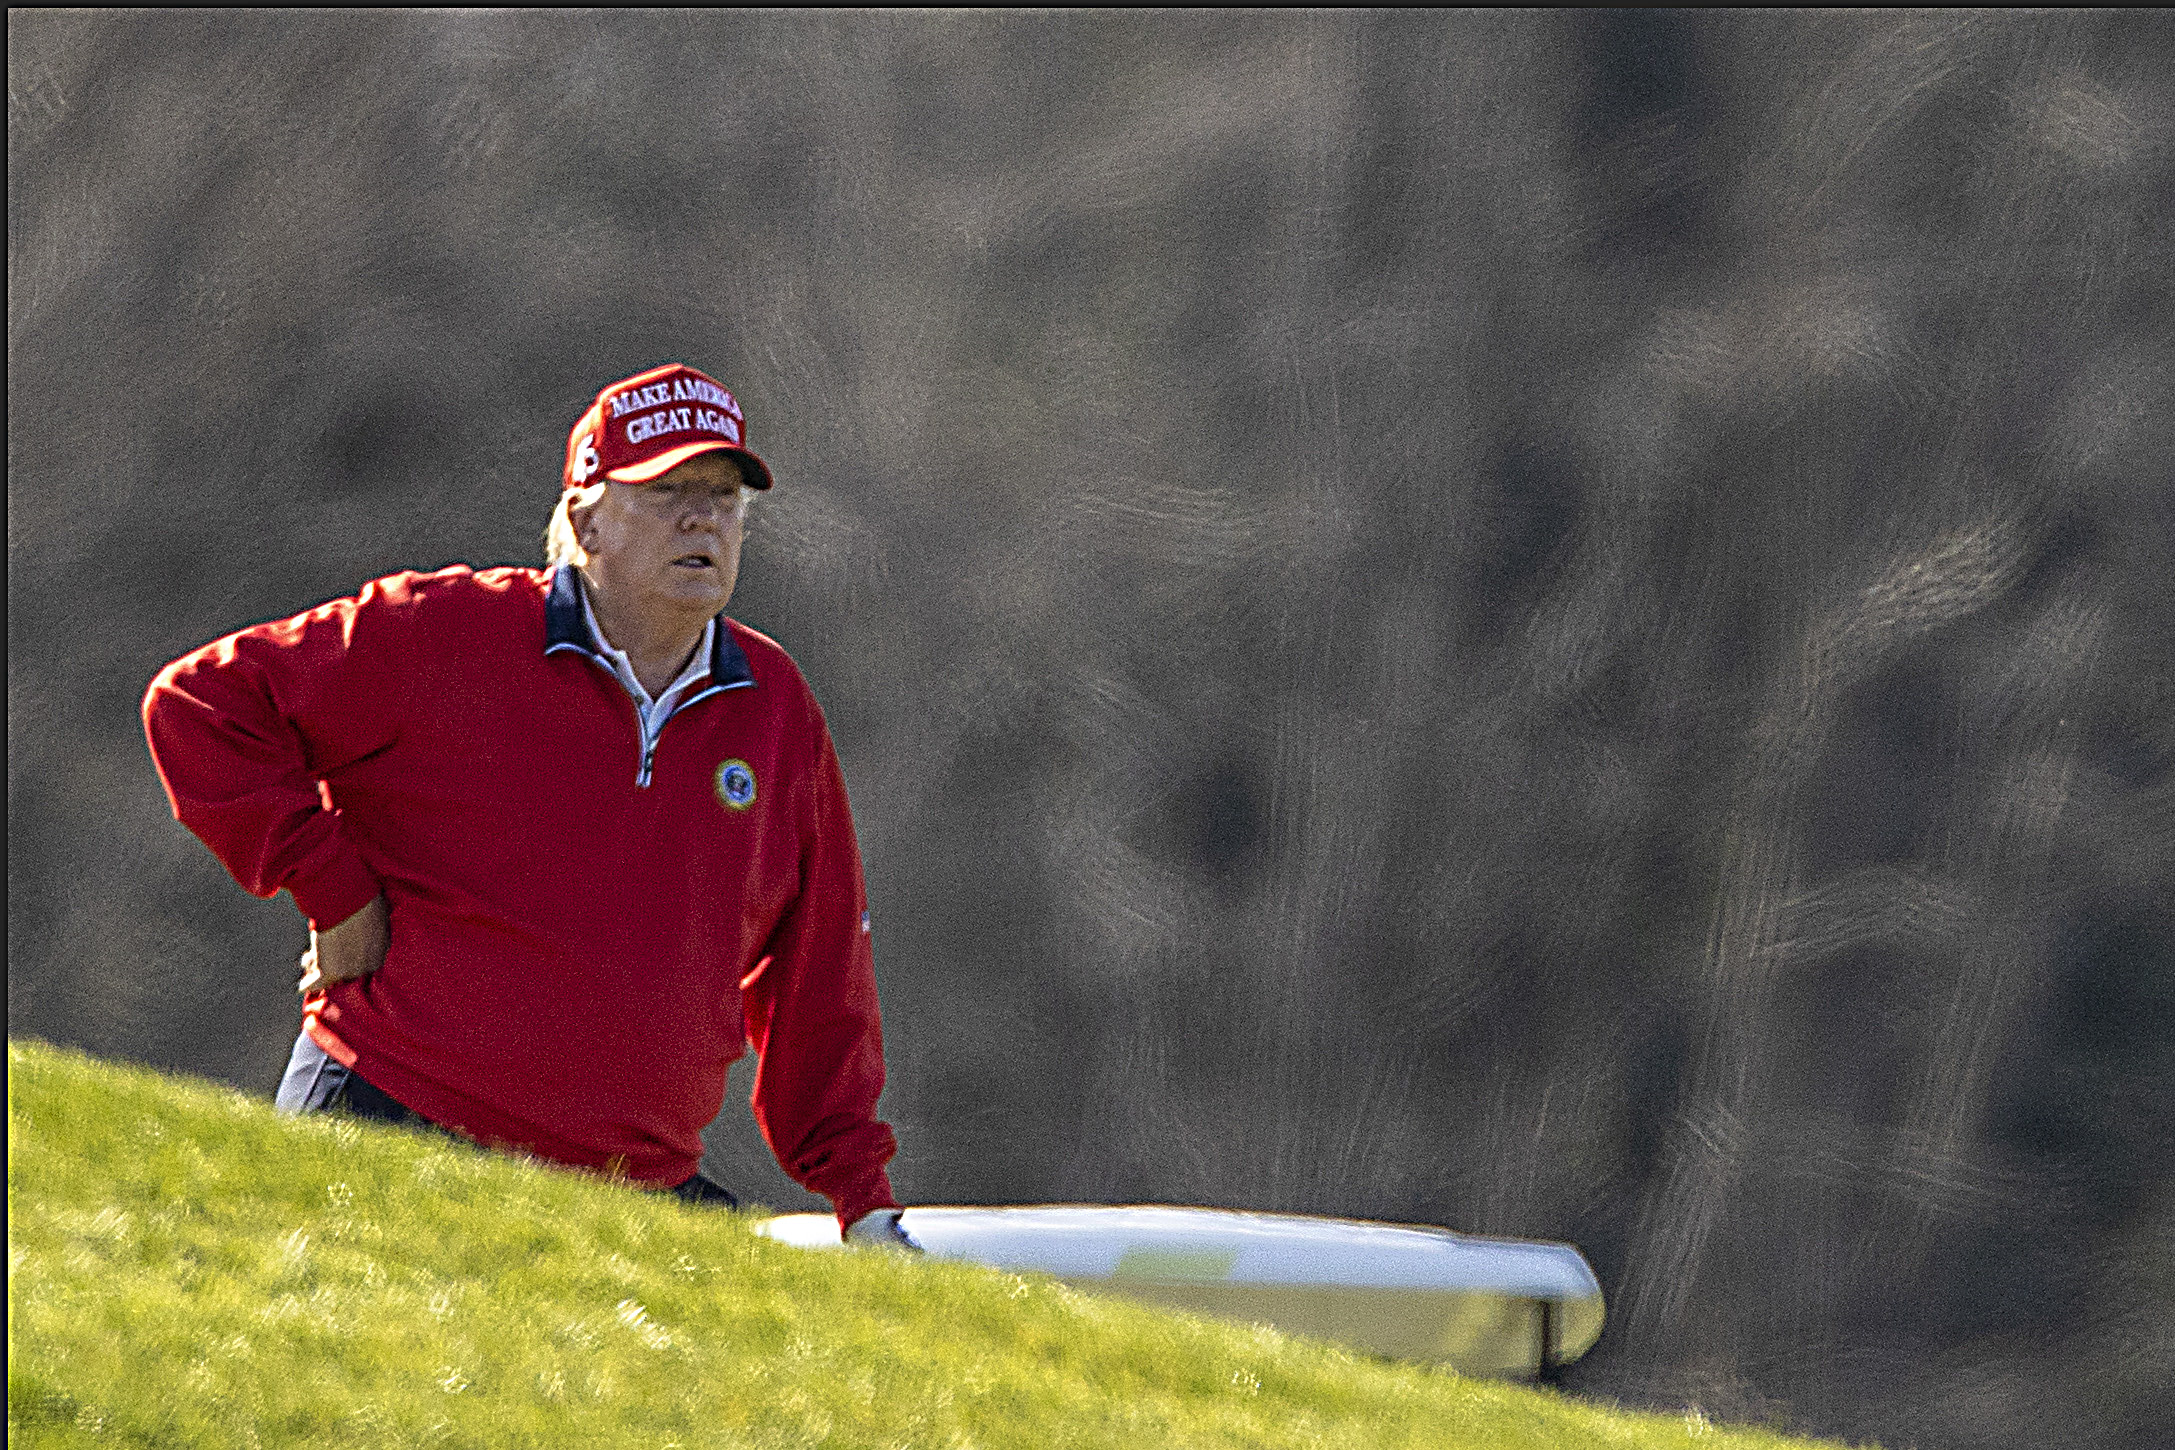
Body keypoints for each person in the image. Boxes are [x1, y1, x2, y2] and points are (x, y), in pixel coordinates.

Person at [143, 361, 915, 1248]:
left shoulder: (773, 704)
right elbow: (198, 706)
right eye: (668, 491)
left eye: (725, 497)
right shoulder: (446, 632)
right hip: (391, 1116)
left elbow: (818, 970)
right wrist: (334, 891)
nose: (704, 518)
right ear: (586, 520)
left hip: (629, 1183)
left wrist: (860, 1193)